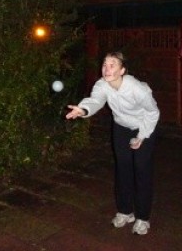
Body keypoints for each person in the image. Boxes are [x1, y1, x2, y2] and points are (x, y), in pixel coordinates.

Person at [65, 51, 160, 235]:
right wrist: (83, 110)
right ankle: (125, 211)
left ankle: (143, 217)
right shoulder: (102, 84)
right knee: (123, 169)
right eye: (104, 64)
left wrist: (142, 136)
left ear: (122, 70)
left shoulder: (137, 88)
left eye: (112, 65)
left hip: (144, 125)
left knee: (141, 169)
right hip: (121, 127)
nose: (106, 69)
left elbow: (153, 112)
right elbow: (95, 100)